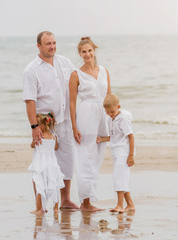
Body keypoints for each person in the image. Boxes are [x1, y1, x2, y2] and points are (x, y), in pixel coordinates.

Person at [23, 31, 79, 210]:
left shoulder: (65, 62)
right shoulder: (31, 70)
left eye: (54, 42)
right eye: (48, 43)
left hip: (66, 120)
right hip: (45, 125)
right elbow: (30, 101)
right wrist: (34, 127)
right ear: (38, 46)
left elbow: (77, 85)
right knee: (42, 164)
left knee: (67, 161)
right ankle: (39, 205)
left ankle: (65, 200)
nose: (52, 46)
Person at [69, 36, 111, 211]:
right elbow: (72, 102)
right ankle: (85, 202)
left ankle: (89, 198)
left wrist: (114, 118)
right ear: (80, 54)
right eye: (83, 52)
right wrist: (74, 127)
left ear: (94, 51)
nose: (87, 54)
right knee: (86, 156)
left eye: (89, 51)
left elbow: (109, 96)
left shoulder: (104, 71)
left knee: (97, 156)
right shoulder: (75, 74)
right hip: (86, 116)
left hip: (102, 115)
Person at [97, 94, 135, 213]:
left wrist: (131, 155)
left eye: (112, 111)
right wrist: (101, 139)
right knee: (121, 177)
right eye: (107, 112)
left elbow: (131, 137)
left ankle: (119, 205)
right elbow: (114, 137)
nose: (110, 114)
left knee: (119, 177)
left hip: (124, 151)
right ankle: (130, 204)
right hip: (116, 150)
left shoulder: (124, 119)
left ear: (119, 106)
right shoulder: (110, 119)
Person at [28, 113, 65, 215]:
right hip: (52, 164)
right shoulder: (54, 136)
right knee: (54, 183)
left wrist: (34, 140)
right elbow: (56, 148)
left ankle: (39, 208)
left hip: (40, 164)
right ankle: (56, 208)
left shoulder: (38, 137)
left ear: (42, 126)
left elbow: (32, 146)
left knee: (38, 183)